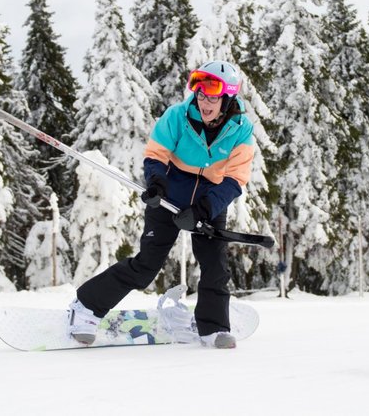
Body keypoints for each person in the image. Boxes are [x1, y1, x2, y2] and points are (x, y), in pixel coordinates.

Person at [68, 60, 255, 349]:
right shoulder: (178, 116)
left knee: (215, 266)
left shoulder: (241, 130)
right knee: (146, 266)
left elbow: (235, 178)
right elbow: (156, 155)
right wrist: (156, 184)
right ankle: (86, 306)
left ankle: (213, 326)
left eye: (212, 96)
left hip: (210, 199)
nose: (204, 102)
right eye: (201, 94)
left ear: (228, 98)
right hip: (170, 195)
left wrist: (204, 209)